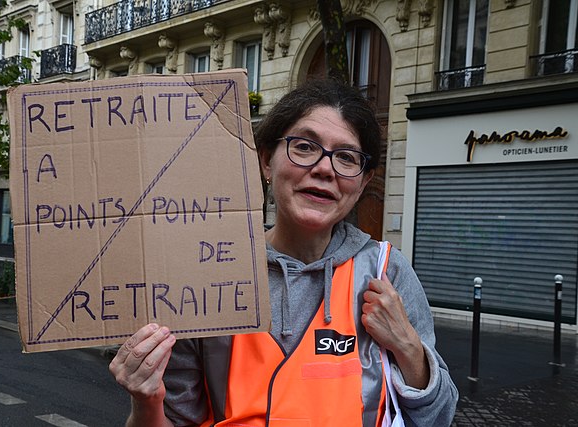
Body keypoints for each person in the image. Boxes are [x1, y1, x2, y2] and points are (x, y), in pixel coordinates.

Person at [109, 79, 459, 427]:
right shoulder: (207, 275)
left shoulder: (387, 273)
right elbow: (174, 420)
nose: (324, 169)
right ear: (265, 161)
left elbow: (439, 417)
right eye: (305, 147)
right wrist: (146, 402)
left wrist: (410, 351)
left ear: (364, 182)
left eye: (346, 157)